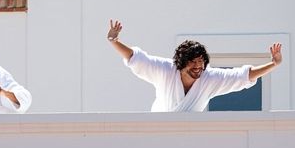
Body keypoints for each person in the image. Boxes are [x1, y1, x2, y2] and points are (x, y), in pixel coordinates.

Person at [107, 19, 282, 112]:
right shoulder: (165, 70)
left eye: (201, 62)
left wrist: (272, 64)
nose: (198, 67)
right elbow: (136, 58)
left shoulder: (209, 78)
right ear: (181, 63)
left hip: (190, 135)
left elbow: (243, 76)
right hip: (159, 131)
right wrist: (114, 41)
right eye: (193, 63)